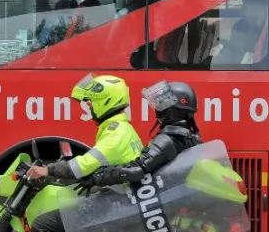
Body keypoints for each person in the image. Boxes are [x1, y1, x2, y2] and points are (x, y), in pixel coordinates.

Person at [25, 73, 144, 232]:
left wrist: (48, 171)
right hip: (121, 196)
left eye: (90, 102)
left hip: (114, 201)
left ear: (105, 101)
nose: (88, 107)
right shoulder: (122, 129)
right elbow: (98, 162)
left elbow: (84, 164)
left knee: (43, 225)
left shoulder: (115, 132)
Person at [73, 80, 203, 196]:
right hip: (169, 197)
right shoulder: (192, 137)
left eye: (162, 104)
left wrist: (97, 177)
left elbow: (136, 170)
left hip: (150, 202)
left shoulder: (168, 139)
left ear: (172, 109)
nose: (157, 108)